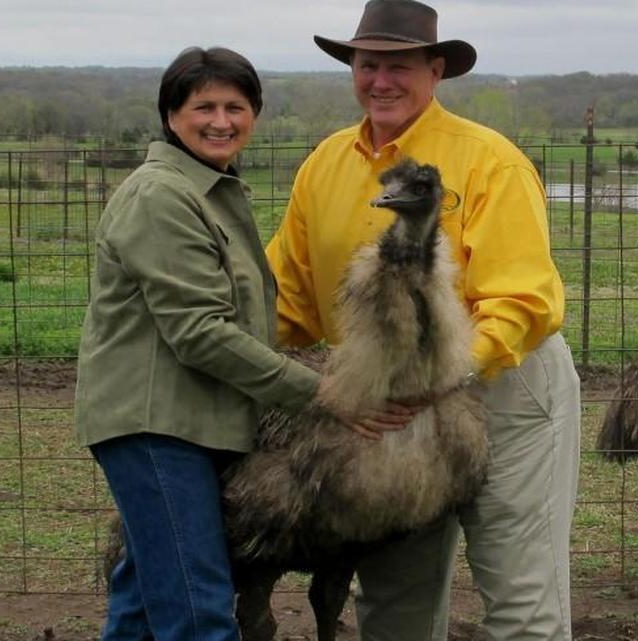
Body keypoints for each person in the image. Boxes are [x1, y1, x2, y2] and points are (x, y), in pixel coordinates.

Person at [266, 1, 582, 639]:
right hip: (386, 400)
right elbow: (288, 298)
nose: (380, 79)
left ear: (435, 70)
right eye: (367, 63)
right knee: (394, 602)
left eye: (399, 65)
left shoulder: (489, 160)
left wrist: (441, 374)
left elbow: (523, 299)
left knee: (520, 598)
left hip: (499, 384)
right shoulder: (325, 166)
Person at [75, 46, 410, 641]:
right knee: (198, 608)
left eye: (236, 106)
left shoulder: (211, 191)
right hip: (157, 426)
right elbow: (201, 332)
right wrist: (325, 392)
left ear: (255, 113)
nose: (221, 121)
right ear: (171, 114)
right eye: (203, 106)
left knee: (141, 608)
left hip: (193, 423)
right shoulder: (162, 196)